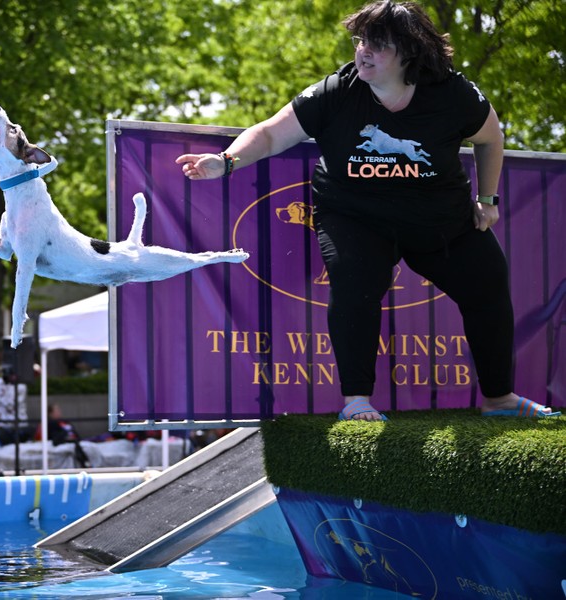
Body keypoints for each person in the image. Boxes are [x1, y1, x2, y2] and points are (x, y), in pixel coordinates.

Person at [176, 0, 559, 421]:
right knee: (355, 281)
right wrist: (225, 161)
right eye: (359, 41)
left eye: (377, 45)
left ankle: (499, 399)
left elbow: (491, 137)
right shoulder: (338, 91)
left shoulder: (453, 93)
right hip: (354, 215)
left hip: (438, 217)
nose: (363, 51)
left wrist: (487, 200)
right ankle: (356, 401)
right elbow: (269, 134)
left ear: (409, 51)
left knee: (487, 280)